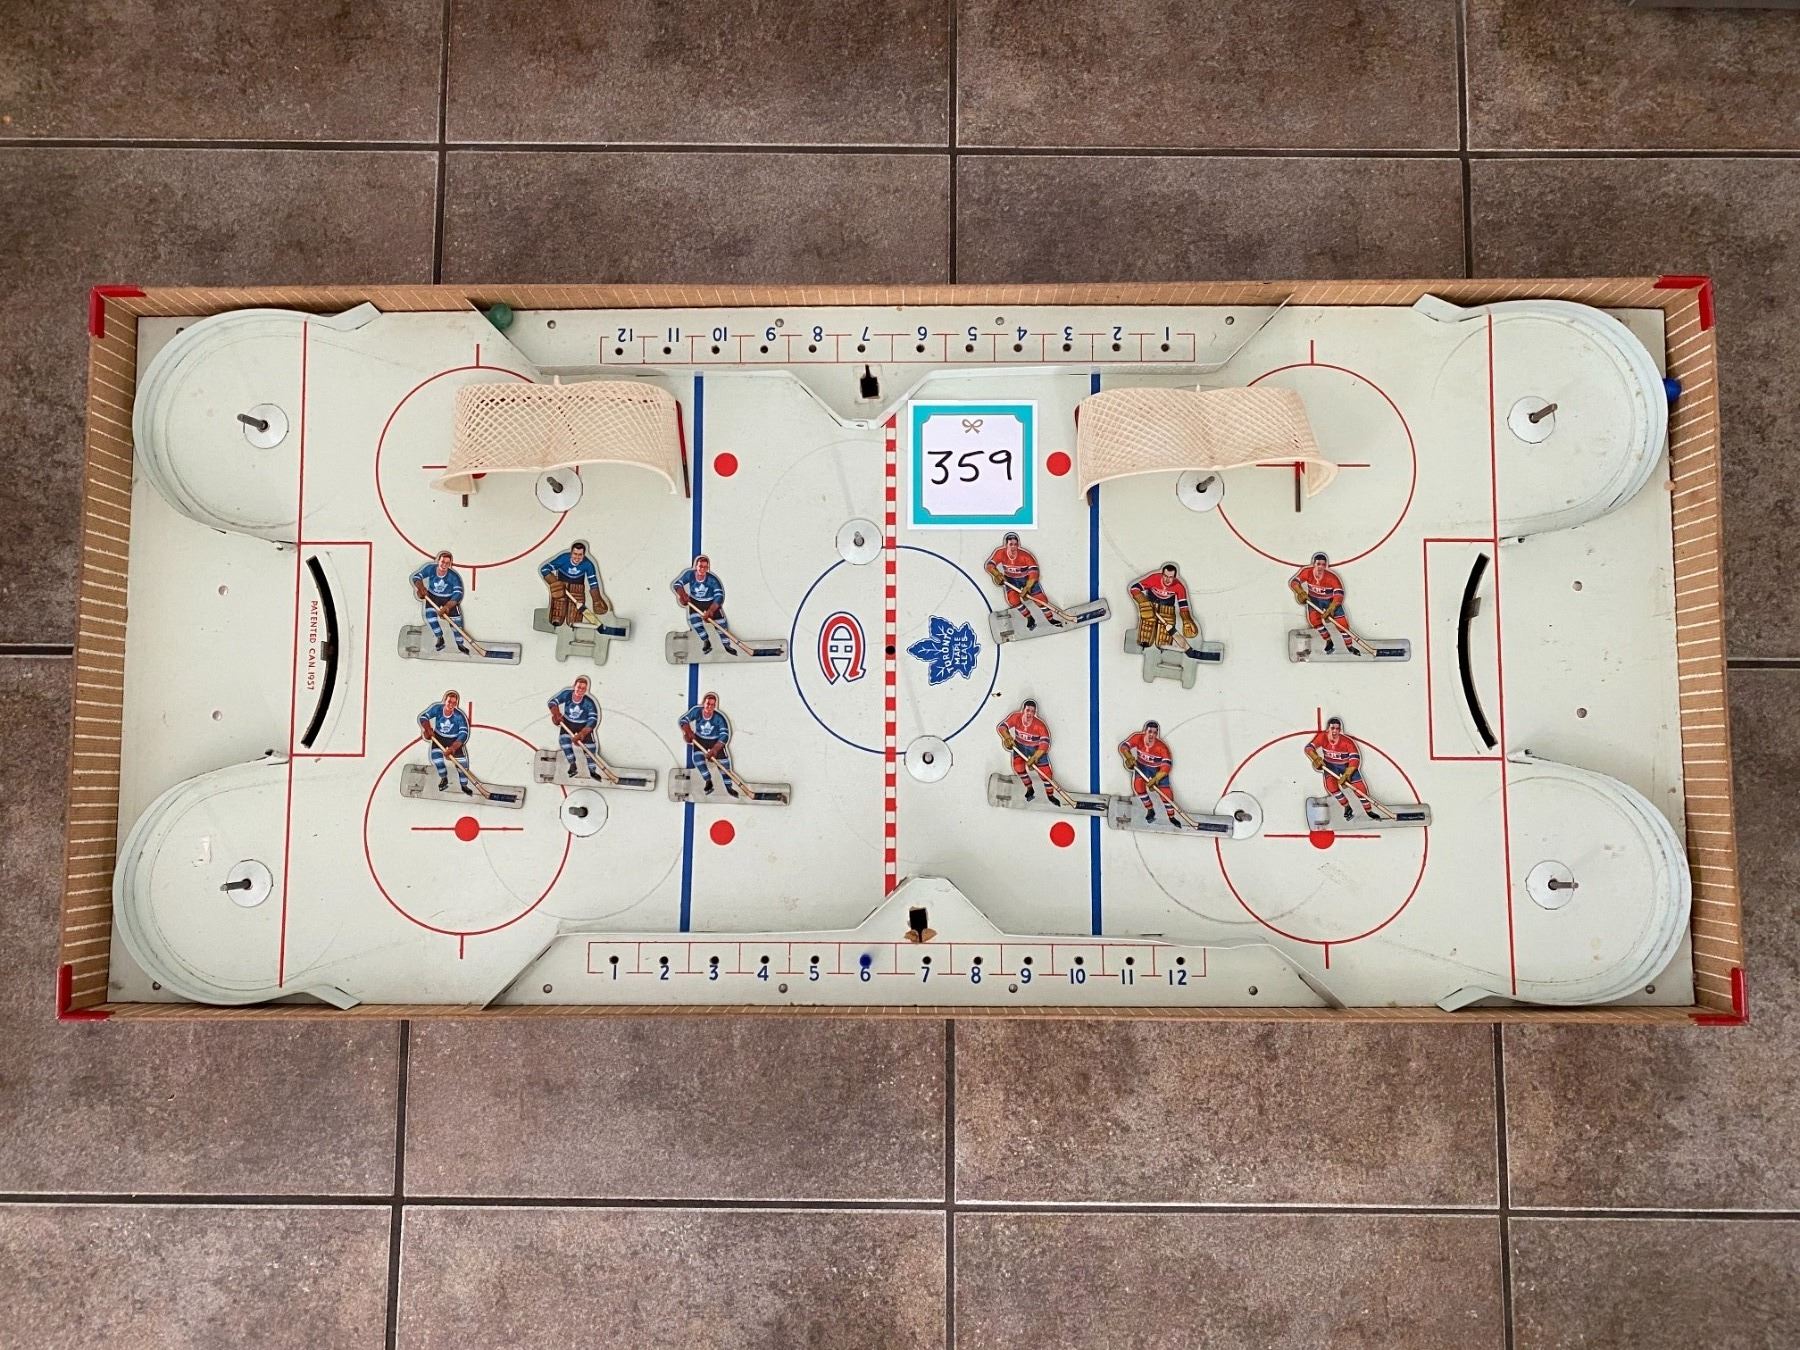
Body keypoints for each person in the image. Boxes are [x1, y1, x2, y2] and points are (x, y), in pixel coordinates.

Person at [1305, 716, 1381, 821]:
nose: (1335, 731)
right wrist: (1316, 758)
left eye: (1337, 729)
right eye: (1332, 728)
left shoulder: (1347, 742)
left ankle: (1369, 811)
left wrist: (1347, 774)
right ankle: (1347, 807)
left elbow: (1355, 759)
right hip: (1330, 766)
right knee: (1331, 787)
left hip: (1347, 766)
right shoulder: (1322, 737)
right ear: (1328, 729)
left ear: (1340, 730)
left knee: (1361, 789)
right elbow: (1309, 748)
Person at [1128, 562, 1208, 660]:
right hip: (1150, 606)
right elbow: (1134, 588)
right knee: (1146, 633)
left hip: (1167, 608)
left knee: (1163, 640)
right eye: (1165, 576)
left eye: (1170, 577)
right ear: (1162, 574)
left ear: (1174, 577)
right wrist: (1143, 602)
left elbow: (1183, 604)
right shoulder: (1154, 578)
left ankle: (1162, 653)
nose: (1167, 580)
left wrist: (1187, 619)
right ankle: (1144, 646)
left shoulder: (1179, 586)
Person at [984, 532, 1063, 631]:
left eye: (1015, 544)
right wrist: (997, 574)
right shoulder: (1000, 552)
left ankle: (1051, 619)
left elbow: (1034, 573)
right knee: (1013, 600)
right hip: (1011, 579)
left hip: (1027, 578)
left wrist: (1027, 587)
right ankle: (1030, 618)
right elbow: (989, 565)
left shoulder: (1025, 556)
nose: (1013, 547)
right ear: (1006, 545)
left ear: (1018, 545)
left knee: (1040, 600)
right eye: (1011, 544)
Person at [1290, 552, 1360, 656]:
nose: (1320, 567)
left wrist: (1331, 608)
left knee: (1342, 625)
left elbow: (1339, 595)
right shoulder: (1307, 572)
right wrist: (1300, 592)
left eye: (1323, 565)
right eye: (1318, 564)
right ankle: (1328, 641)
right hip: (1314, 600)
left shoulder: (1332, 577)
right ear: (1314, 564)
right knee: (1314, 621)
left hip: (1331, 601)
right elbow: (1294, 582)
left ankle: (1349, 646)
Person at [1118, 719, 1181, 827]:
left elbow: (1166, 767)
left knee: (1166, 794)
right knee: (1138, 786)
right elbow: (1123, 746)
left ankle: (1171, 817)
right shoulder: (1138, 737)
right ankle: (1150, 810)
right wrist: (1129, 757)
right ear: (1145, 731)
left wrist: (1156, 779)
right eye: (1150, 732)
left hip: (1158, 770)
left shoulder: (1162, 747)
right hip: (1142, 767)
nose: (1152, 735)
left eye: (1155, 733)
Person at [996, 698, 1060, 803]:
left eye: (1032, 711)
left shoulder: (1040, 725)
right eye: (1028, 710)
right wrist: (1007, 738)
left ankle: (1050, 796)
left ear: (1035, 713)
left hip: (1036, 749)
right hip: (1020, 746)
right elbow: (1002, 727)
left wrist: (1035, 757)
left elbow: (1045, 744)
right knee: (1018, 767)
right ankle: (1029, 788)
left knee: (1046, 774)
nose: (1030, 713)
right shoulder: (1016, 717)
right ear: (1023, 710)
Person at [671, 554, 734, 656]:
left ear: (708, 568)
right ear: (696, 566)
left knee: (721, 624)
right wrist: (682, 595)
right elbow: (677, 584)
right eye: (700, 566)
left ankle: (727, 646)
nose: (702, 569)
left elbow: (719, 596)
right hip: (695, 602)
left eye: (705, 567)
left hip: (711, 603)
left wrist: (711, 610)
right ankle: (706, 641)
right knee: (695, 622)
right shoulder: (689, 574)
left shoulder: (712, 579)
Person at [678, 691, 737, 797]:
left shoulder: (719, 718)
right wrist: (688, 731)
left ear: (715, 706)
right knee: (697, 759)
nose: (709, 707)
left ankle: (729, 788)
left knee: (724, 765)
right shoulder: (697, 711)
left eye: (712, 705)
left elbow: (724, 735)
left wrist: (715, 749)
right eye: (708, 703)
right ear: (703, 703)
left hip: (715, 742)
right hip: (700, 740)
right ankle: (708, 781)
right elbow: (683, 720)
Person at [540, 540, 606, 630]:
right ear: (571, 553)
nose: (577, 557)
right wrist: (554, 582)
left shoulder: (588, 564)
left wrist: (596, 599)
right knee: (557, 616)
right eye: (575, 554)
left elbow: (593, 581)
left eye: (580, 555)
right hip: (561, 589)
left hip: (577, 590)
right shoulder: (563, 558)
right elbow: (544, 569)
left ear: (583, 555)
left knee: (574, 620)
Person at [410, 550, 468, 653]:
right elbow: (417, 576)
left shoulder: (453, 576)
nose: (444, 565)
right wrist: (421, 587)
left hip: (449, 599)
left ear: (450, 564)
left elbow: (458, 593)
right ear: (438, 561)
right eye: (442, 562)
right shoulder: (430, 568)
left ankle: (460, 644)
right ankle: (439, 638)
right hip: (433, 597)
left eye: (447, 563)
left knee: (457, 623)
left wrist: (448, 607)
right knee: (430, 616)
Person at [547, 676, 602, 780]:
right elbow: (553, 702)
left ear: (586, 690)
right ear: (574, 686)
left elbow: (593, 720)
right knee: (564, 740)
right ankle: (572, 765)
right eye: (579, 687)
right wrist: (556, 714)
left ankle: (592, 771)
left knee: (590, 747)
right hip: (568, 722)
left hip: (583, 725)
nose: (580, 690)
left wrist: (582, 734)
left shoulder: (589, 702)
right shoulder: (567, 694)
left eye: (583, 688)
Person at [418, 689, 472, 793]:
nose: (451, 705)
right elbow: (423, 717)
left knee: (463, 765)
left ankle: (464, 785)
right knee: (437, 759)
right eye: (449, 701)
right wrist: (427, 728)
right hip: (439, 738)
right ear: (444, 700)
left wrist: (453, 748)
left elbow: (463, 733)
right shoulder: (437, 708)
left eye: (454, 703)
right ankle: (444, 778)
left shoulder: (459, 716)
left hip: (454, 740)